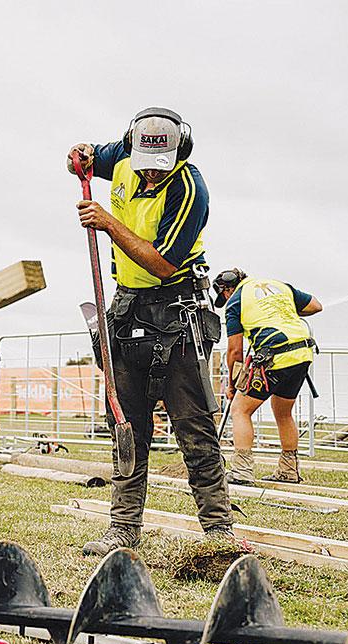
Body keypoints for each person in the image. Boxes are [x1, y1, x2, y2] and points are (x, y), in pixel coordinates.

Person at [67, 107, 234, 554]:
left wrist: (107, 222)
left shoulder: (189, 188)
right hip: (127, 311)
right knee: (128, 426)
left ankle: (218, 532)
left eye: (159, 169)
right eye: (143, 166)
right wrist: (79, 159)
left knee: (194, 427)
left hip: (176, 311)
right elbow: (83, 158)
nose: (149, 176)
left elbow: (162, 264)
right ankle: (123, 528)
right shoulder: (122, 154)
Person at [213, 269, 322, 484]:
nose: (225, 300)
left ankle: (242, 471)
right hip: (302, 353)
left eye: (223, 295)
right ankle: (289, 470)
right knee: (283, 412)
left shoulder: (236, 300)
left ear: (227, 288)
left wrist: (233, 385)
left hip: (275, 354)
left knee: (240, 410)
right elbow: (316, 306)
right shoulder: (280, 287)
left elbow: (235, 350)